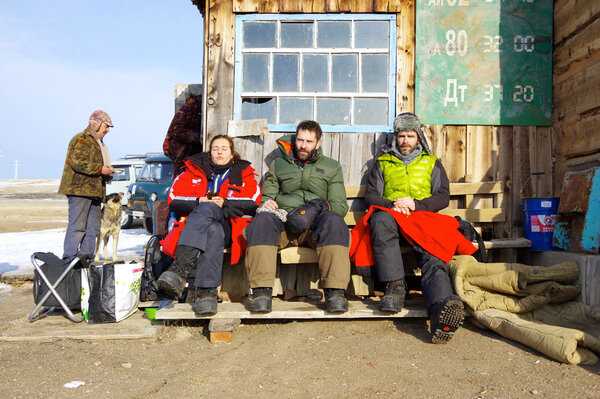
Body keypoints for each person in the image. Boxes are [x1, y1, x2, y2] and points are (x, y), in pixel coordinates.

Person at [358, 112, 472, 344]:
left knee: (433, 250)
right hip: (392, 217)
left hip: (422, 217)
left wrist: (416, 205)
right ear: (395, 137)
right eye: (401, 135)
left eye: (410, 135)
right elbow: (371, 196)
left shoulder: (431, 163)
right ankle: (395, 288)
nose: (405, 141)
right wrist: (392, 205)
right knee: (379, 219)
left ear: (418, 137)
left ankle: (441, 307)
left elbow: (442, 196)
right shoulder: (383, 163)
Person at [243, 120, 351, 314]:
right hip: (284, 225)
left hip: (315, 229)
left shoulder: (332, 167)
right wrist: (266, 204)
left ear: (318, 143)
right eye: (300, 140)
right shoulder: (278, 165)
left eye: (309, 141)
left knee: (335, 220)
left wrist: (319, 207)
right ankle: (261, 293)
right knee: (262, 221)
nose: (303, 145)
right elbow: (266, 198)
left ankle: (335, 293)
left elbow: (340, 206)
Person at [157, 135, 261, 316]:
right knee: (212, 229)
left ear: (232, 153)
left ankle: (180, 270)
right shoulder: (191, 171)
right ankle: (207, 296)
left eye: (224, 148)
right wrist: (198, 201)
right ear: (209, 152)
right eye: (215, 148)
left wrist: (226, 203)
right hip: (204, 228)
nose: (219, 152)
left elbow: (253, 201)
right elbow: (174, 200)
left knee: (209, 211)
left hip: (231, 225)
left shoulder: (243, 172)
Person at [59, 110, 117, 261]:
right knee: (78, 226)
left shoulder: (99, 143)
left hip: (94, 192)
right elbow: (78, 163)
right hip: (79, 191)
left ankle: (86, 259)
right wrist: (100, 169)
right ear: (96, 123)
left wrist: (105, 175)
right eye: (106, 126)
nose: (108, 130)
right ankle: (70, 260)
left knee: (92, 228)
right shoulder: (82, 139)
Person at [163, 95, 203, 175]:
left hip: (197, 158)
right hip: (182, 157)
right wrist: (201, 138)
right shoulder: (191, 107)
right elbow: (176, 129)